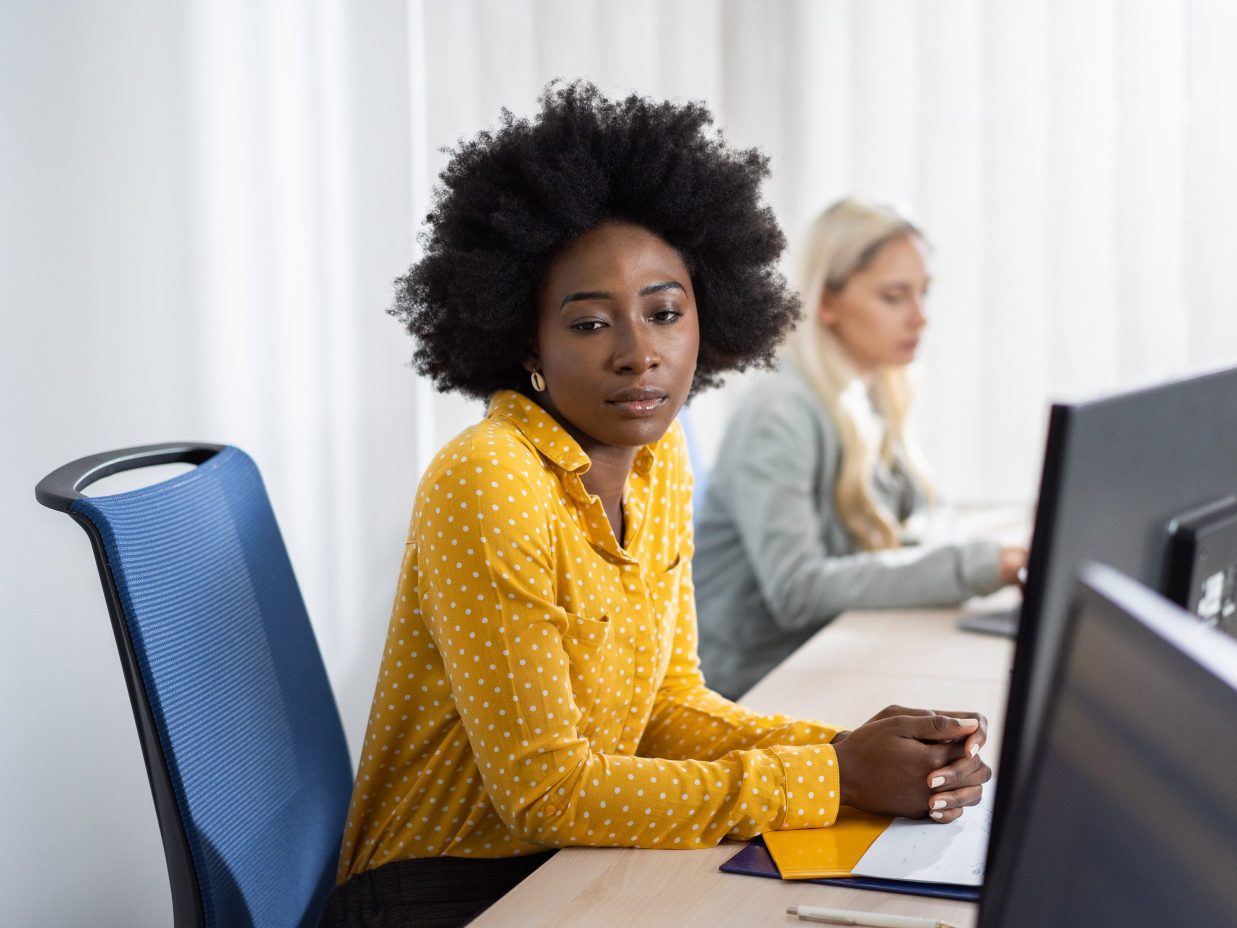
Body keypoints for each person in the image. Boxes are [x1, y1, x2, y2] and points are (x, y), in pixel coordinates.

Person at [326, 84, 993, 927]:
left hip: (571, 859)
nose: (640, 354)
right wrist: (834, 779)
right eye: (590, 324)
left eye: (665, 313)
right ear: (526, 338)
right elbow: (545, 792)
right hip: (445, 890)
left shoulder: (658, 454)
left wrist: (850, 752)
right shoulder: (489, 477)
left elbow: (667, 707)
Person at [694, 198, 1027, 700]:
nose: (921, 318)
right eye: (895, 297)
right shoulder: (780, 414)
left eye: (924, 293)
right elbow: (797, 591)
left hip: (832, 656)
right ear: (826, 303)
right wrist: (979, 566)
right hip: (758, 688)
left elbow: (927, 517)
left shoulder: (870, 393)